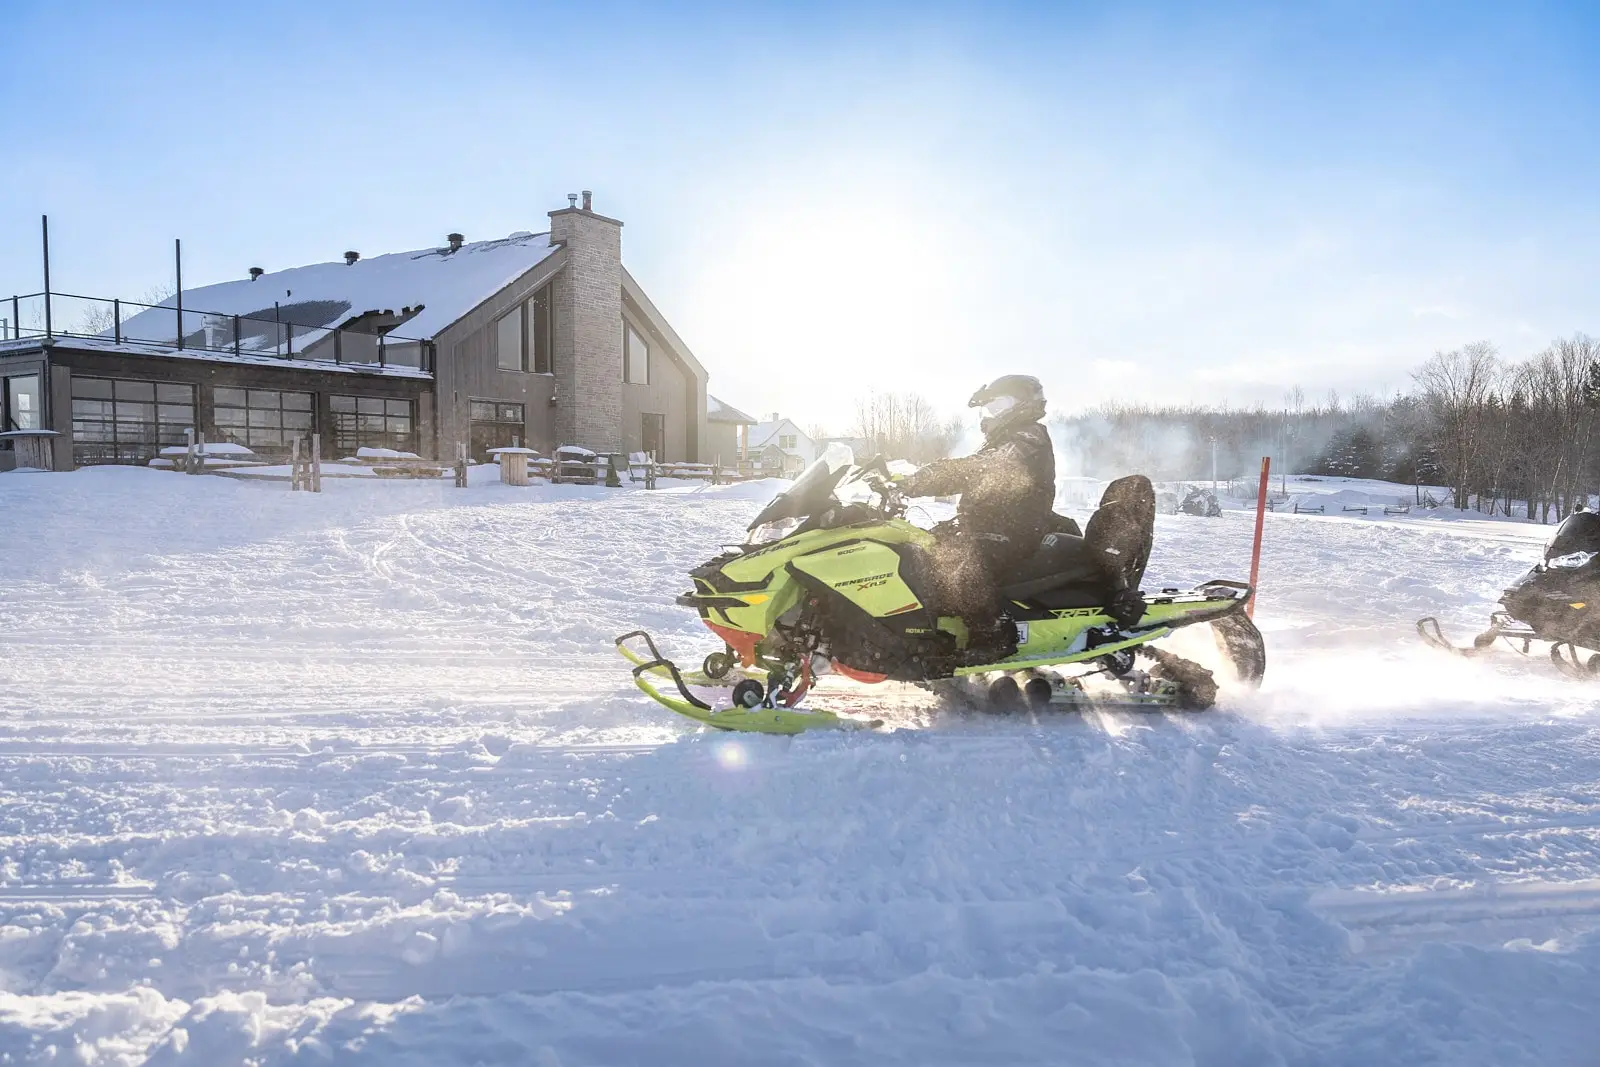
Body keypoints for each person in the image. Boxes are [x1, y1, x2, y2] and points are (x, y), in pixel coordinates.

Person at [896, 374, 1055, 659]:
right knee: (924, 552)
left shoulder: (1029, 436)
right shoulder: (1004, 438)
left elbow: (986, 468)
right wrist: (897, 480)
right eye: (989, 409)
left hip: (1016, 528)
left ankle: (992, 635)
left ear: (1021, 405)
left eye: (998, 406)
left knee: (964, 566)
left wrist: (926, 477)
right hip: (987, 525)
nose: (991, 416)